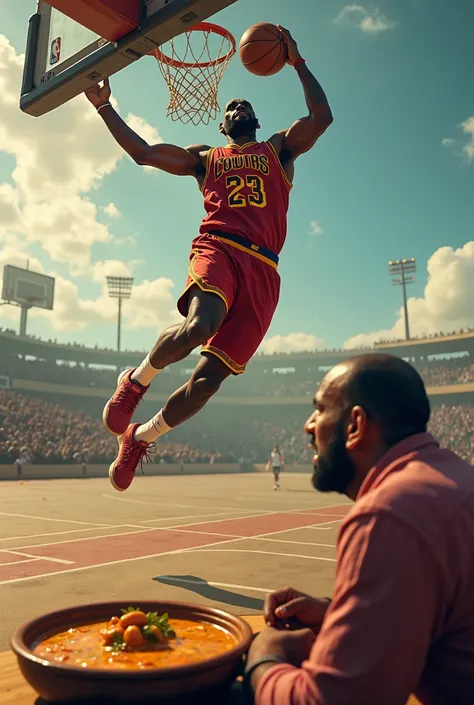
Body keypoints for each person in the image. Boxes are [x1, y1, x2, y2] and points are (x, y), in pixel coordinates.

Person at [84, 27, 333, 492]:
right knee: (199, 324)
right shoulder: (205, 158)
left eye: (245, 105)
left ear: (256, 120)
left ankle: (140, 438)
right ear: (222, 126)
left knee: (208, 381)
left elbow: (322, 116)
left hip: (264, 270)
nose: (237, 107)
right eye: (230, 107)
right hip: (218, 247)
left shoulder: (279, 149)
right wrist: (103, 105)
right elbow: (142, 153)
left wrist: (297, 61)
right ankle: (136, 381)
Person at [244, 354, 474, 705]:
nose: (308, 426)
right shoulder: (454, 478)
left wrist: (263, 658)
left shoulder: (390, 513)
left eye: (319, 410)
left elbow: (333, 700)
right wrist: (341, 612)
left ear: (355, 425)